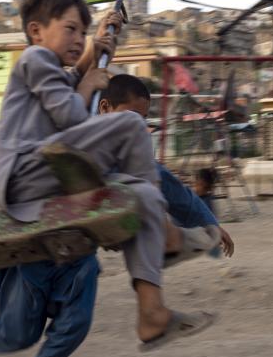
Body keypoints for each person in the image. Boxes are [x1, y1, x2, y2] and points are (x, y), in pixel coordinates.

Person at [0, 0, 213, 357]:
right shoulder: (34, 59)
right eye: (70, 29)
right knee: (132, 127)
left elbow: (68, 91)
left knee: (140, 194)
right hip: (25, 178)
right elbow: (69, 114)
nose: (77, 38)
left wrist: (97, 47)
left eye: (81, 31)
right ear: (36, 31)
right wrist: (87, 76)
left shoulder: (56, 71)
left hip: (48, 176)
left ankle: (151, 312)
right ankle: (169, 240)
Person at [97, 73, 235, 258]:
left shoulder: (135, 155)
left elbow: (179, 194)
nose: (139, 125)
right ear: (105, 108)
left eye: (143, 119)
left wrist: (211, 224)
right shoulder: (80, 133)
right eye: (134, 116)